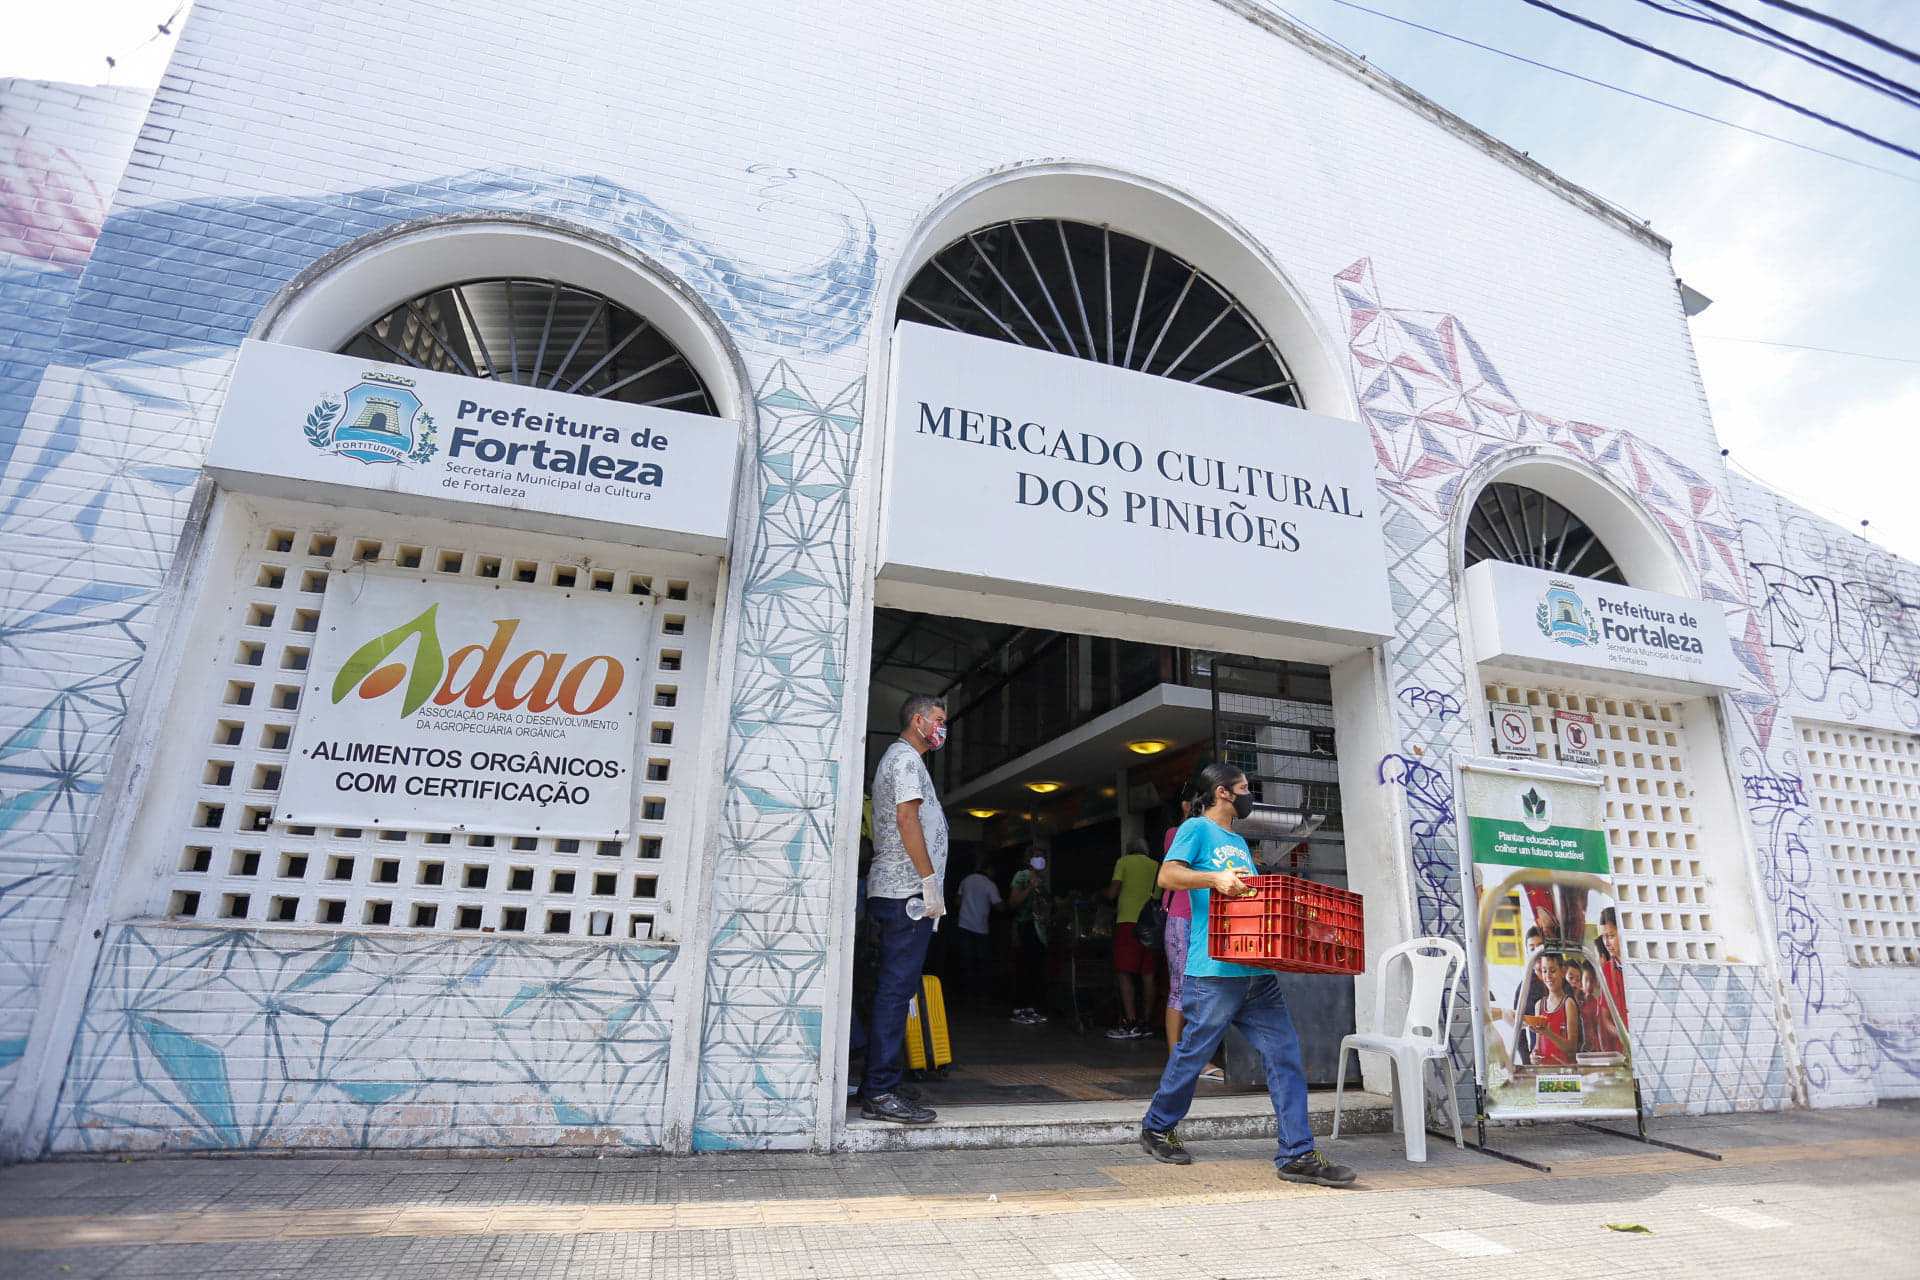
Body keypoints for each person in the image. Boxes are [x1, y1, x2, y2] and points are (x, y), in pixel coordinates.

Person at [1139, 762, 1356, 1187]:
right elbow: (1168, 875)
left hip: (1256, 974)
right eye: (1243, 788)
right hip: (1214, 971)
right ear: (1222, 792)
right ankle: (1157, 1126)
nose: (1247, 795)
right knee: (1193, 1055)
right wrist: (1215, 878)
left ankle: (1297, 1154)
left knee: (1285, 1058)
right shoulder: (1196, 830)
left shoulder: (1238, 841)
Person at [858, 693, 949, 1124]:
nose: (942, 728)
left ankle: (885, 1081)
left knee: (897, 991)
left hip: (901, 893)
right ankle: (878, 1091)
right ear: (918, 720)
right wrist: (929, 882)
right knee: (896, 993)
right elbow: (907, 820)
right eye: (938, 720)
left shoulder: (904, 760)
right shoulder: (906, 760)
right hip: (904, 894)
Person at [1103, 836, 1161, 1038]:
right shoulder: (1156, 866)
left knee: (1124, 972)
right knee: (1148, 974)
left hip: (1128, 921)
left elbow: (1112, 893)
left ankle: (1131, 1022)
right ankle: (1146, 1022)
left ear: (1129, 850)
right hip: (1152, 926)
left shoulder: (1123, 862)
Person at [1008, 849, 1051, 1024]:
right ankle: (1019, 1008)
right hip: (1026, 925)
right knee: (1025, 967)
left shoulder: (1043, 880)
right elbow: (1013, 902)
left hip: (1040, 929)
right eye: (1036, 857)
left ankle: (1030, 1007)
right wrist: (1030, 887)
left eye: (1043, 857)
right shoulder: (1022, 876)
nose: (1040, 860)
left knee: (1035, 969)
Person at [955, 854, 1004, 1006]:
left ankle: (968, 996)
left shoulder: (966, 880)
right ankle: (982, 997)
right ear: (990, 870)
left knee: (967, 963)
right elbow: (999, 906)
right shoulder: (989, 884)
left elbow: (957, 901)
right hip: (981, 928)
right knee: (982, 965)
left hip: (964, 925)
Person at [1524, 951, 1581, 1066]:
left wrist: (1549, 1034)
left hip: (1566, 1072)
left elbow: (1571, 1049)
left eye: (1553, 971)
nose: (1548, 976)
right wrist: (1534, 1055)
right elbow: (1538, 1046)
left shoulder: (1568, 1004)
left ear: (1563, 972)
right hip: (1546, 1073)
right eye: (1544, 971)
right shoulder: (1539, 1006)